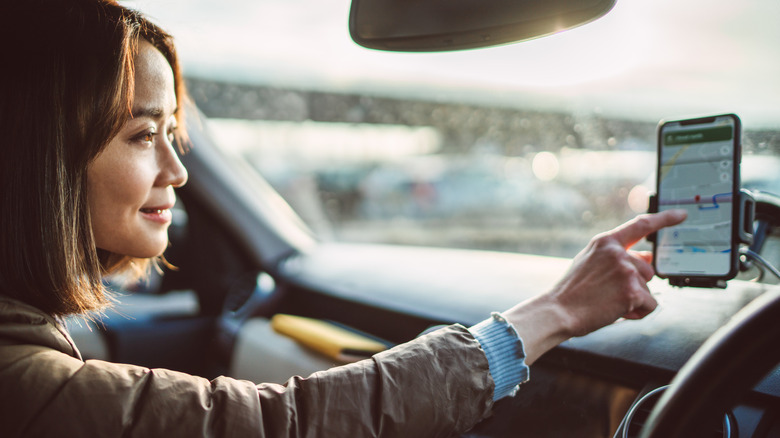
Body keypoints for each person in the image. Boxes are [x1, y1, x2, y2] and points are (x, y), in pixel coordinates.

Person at [0, 1, 687, 436]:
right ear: (41, 155)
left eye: (173, 136)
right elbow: (287, 424)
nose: (177, 173)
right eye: (143, 135)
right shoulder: (23, 383)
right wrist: (556, 312)